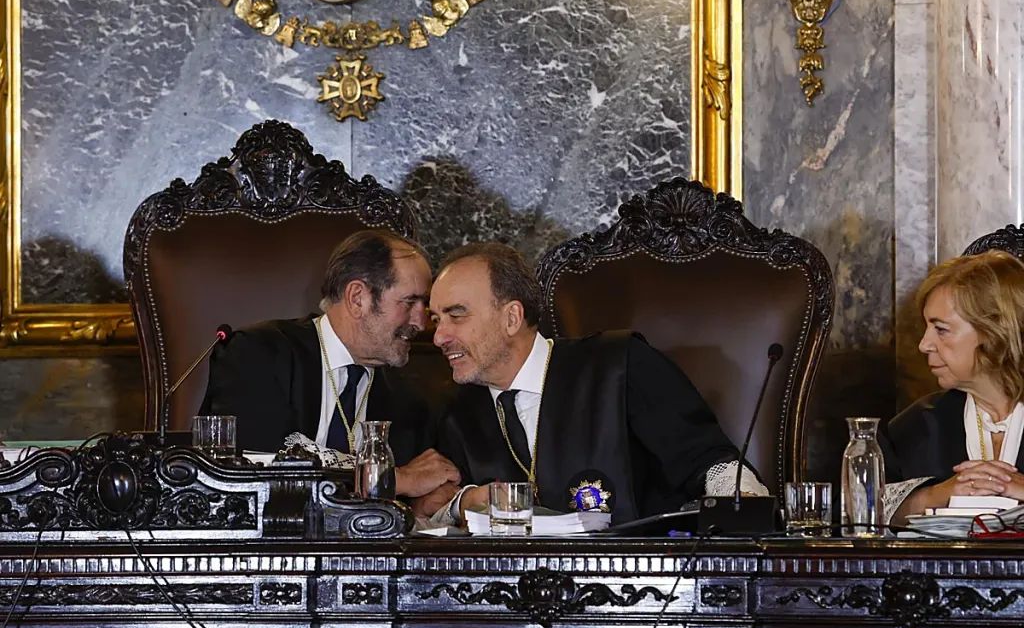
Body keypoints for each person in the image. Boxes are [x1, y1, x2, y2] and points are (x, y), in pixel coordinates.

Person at [428, 242, 767, 525]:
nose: (439, 337)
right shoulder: (459, 411)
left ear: (512, 318)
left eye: (456, 315)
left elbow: (710, 464)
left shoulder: (621, 366)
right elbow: (433, 510)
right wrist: (464, 502)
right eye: (436, 319)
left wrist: (744, 511)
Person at [200, 229, 461, 514]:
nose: (421, 323)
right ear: (358, 298)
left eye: (424, 306)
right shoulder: (258, 353)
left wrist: (427, 501)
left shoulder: (410, 398)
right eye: (410, 302)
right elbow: (251, 464)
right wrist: (389, 477)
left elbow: (419, 488)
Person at [884, 250, 1024, 524]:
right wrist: (934, 496)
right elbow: (858, 513)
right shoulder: (918, 425)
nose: (924, 345)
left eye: (941, 329)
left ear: (994, 331)